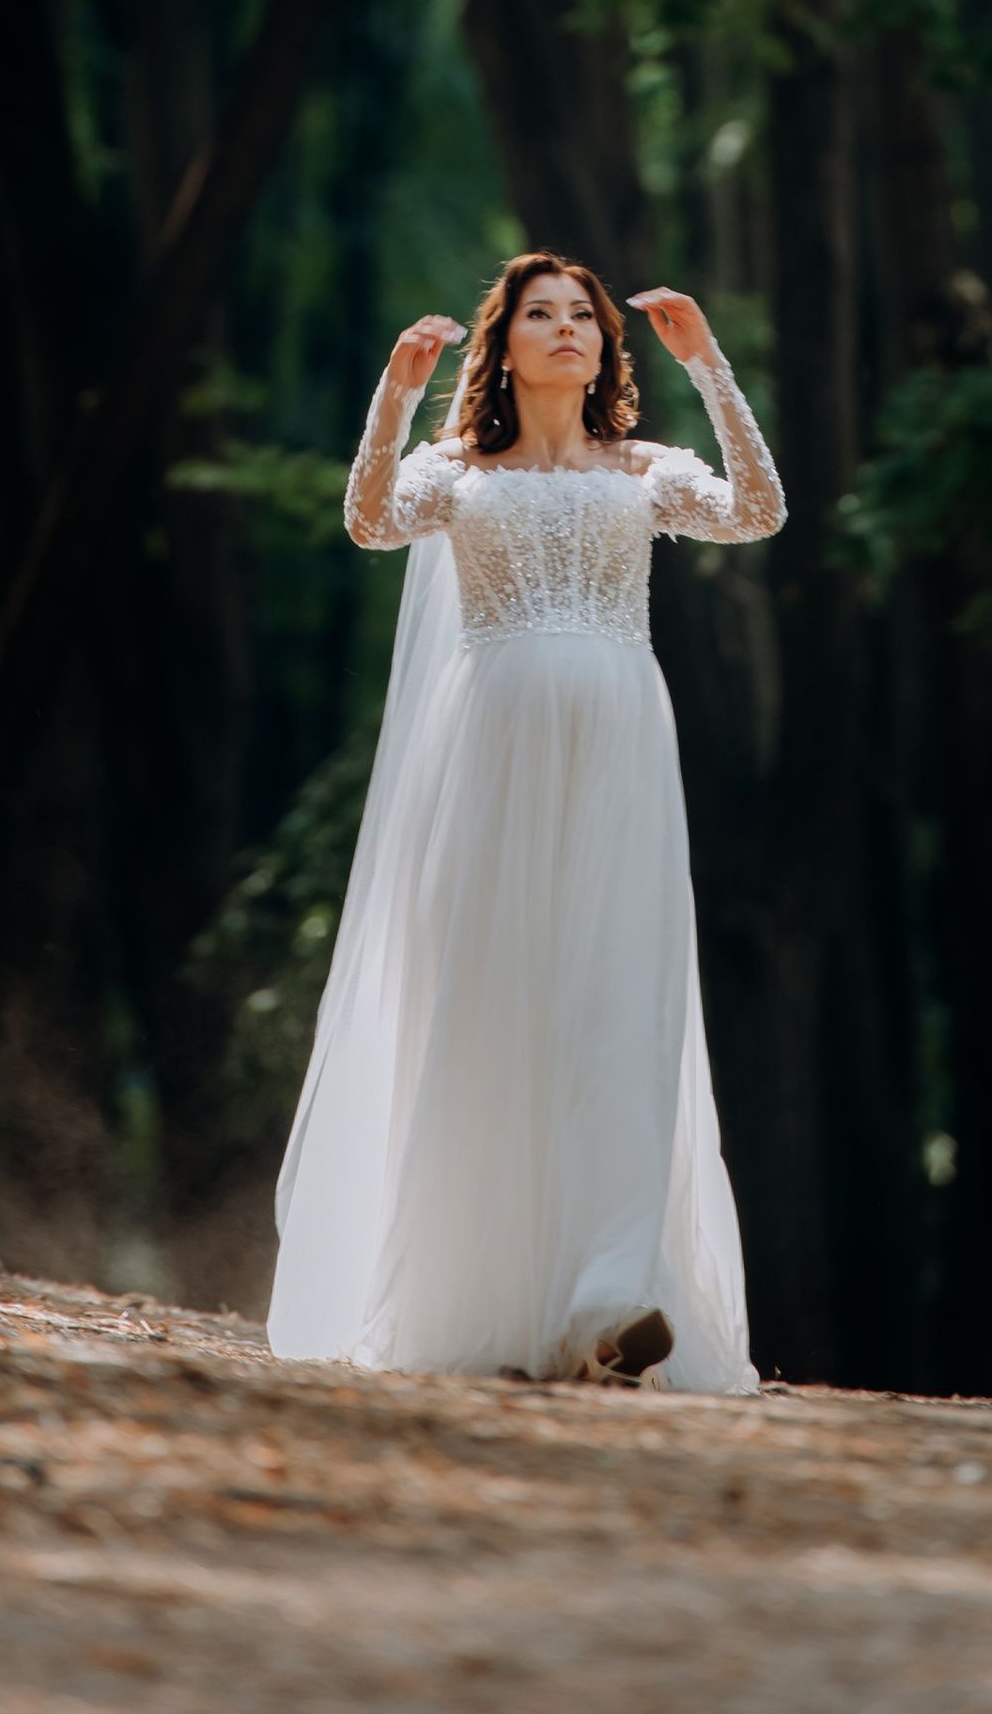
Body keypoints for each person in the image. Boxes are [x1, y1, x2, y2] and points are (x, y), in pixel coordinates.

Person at [266, 250, 784, 1393]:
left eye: (584, 318)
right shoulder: (457, 472)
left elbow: (757, 509)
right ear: (502, 346)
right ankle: (485, 1289)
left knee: (616, 997)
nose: (566, 330)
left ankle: (610, 1301)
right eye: (541, 314)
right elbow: (369, 522)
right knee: (493, 998)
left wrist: (709, 367)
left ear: (607, 348)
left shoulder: (644, 466)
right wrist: (395, 395)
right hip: (490, 749)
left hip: (620, 752)